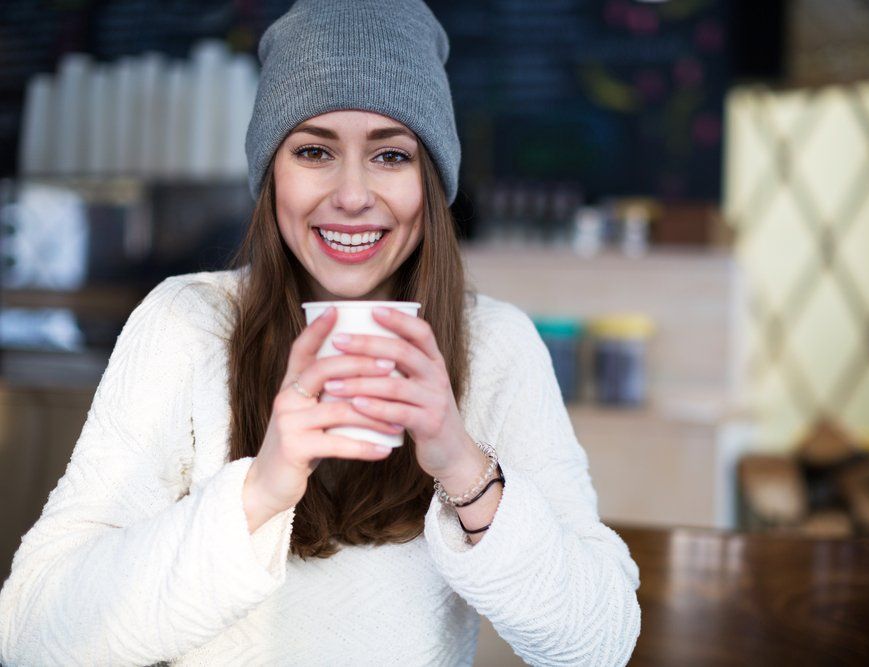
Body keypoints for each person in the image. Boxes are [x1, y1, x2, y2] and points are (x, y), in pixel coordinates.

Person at [0, 0, 641, 664]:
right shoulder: (185, 324)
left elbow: (599, 644)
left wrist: (464, 465)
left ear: (432, 181)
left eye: (390, 154)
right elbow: (30, 635)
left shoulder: (497, 346)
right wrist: (262, 488)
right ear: (270, 172)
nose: (353, 194)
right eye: (314, 150)